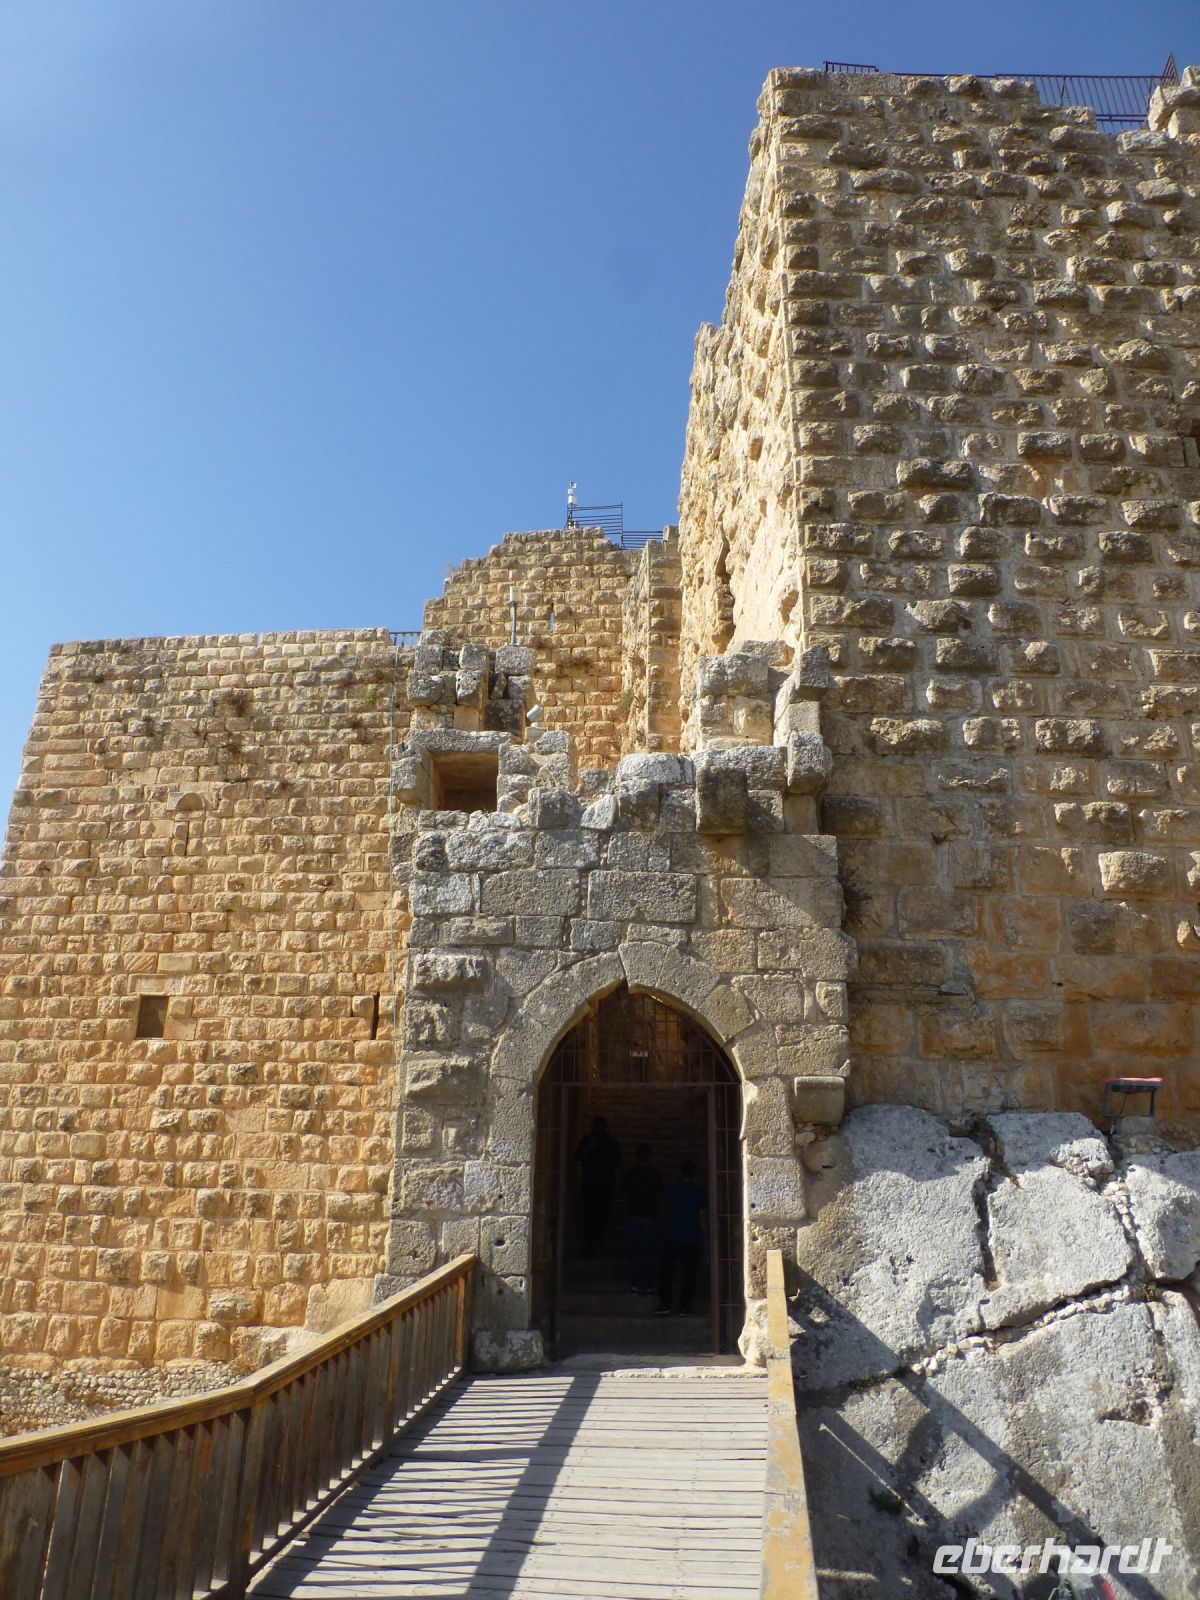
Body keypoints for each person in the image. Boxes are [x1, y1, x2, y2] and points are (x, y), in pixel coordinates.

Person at [657, 1158, 708, 1316]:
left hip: (672, 1236)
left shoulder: (672, 1189)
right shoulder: (698, 1191)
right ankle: (684, 1306)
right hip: (691, 1238)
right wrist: (706, 1236)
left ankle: (665, 1303)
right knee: (689, 1274)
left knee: (666, 1272)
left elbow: (663, 1207)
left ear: (680, 1172)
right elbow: (702, 1216)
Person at [575, 1115, 621, 1255]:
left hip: (605, 1183)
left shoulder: (610, 1142)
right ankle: (590, 1239)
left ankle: (598, 1236)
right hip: (590, 1182)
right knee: (589, 1210)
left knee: (602, 1210)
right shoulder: (587, 1141)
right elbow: (578, 1156)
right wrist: (589, 1148)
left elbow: (617, 1160)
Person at [622, 1143, 662, 1294]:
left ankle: (635, 1284)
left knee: (635, 1252)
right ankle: (649, 1284)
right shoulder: (654, 1174)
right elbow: (659, 1189)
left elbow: (624, 1189)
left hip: (634, 1214)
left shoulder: (630, 1173)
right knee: (649, 1252)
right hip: (649, 1216)